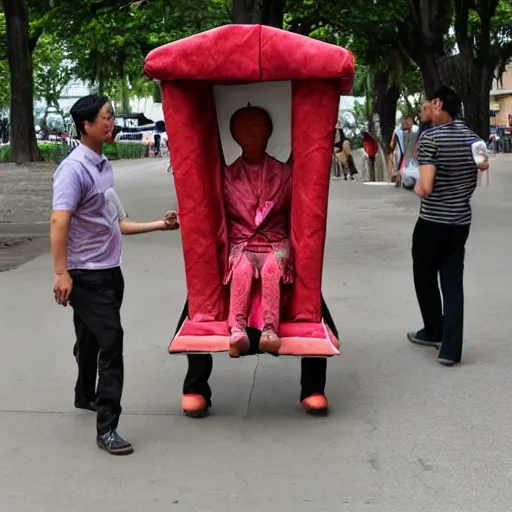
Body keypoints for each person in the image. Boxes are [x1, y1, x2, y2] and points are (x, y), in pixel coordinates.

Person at [175, 105, 339, 418]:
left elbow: (303, 211)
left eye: (258, 127)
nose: (251, 133)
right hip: (238, 251)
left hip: (277, 249)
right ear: (234, 135)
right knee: (199, 310)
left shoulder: (287, 173)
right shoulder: (224, 175)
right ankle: (195, 386)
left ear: (270, 132)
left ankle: (313, 387)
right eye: (244, 128)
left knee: (312, 312)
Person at [51, 94, 179, 455]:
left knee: (91, 338)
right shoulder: (73, 169)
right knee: (112, 341)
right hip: (85, 274)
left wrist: (160, 225)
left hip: (110, 272)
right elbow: (59, 221)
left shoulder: (103, 166)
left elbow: (116, 221)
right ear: (86, 127)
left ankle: (83, 394)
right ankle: (107, 427)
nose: (111, 122)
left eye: (111, 116)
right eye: (104, 118)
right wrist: (61, 273)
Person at [408, 86, 488, 366]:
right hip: (460, 222)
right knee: (452, 283)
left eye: (427, 103)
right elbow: (483, 171)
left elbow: (426, 187)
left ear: (439, 103)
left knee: (424, 275)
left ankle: (433, 329)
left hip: (432, 222)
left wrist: (415, 185)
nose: (424, 108)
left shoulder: (430, 138)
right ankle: (451, 350)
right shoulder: (474, 139)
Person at [389, 115, 419, 188]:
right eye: (404, 122)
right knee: (403, 165)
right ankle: (400, 178)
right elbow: (393, 143)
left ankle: (402, 179)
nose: (405, 124)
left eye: (408, 121)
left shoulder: (416, 130)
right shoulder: (398, 130)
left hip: (411, 153)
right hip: (404, 153)